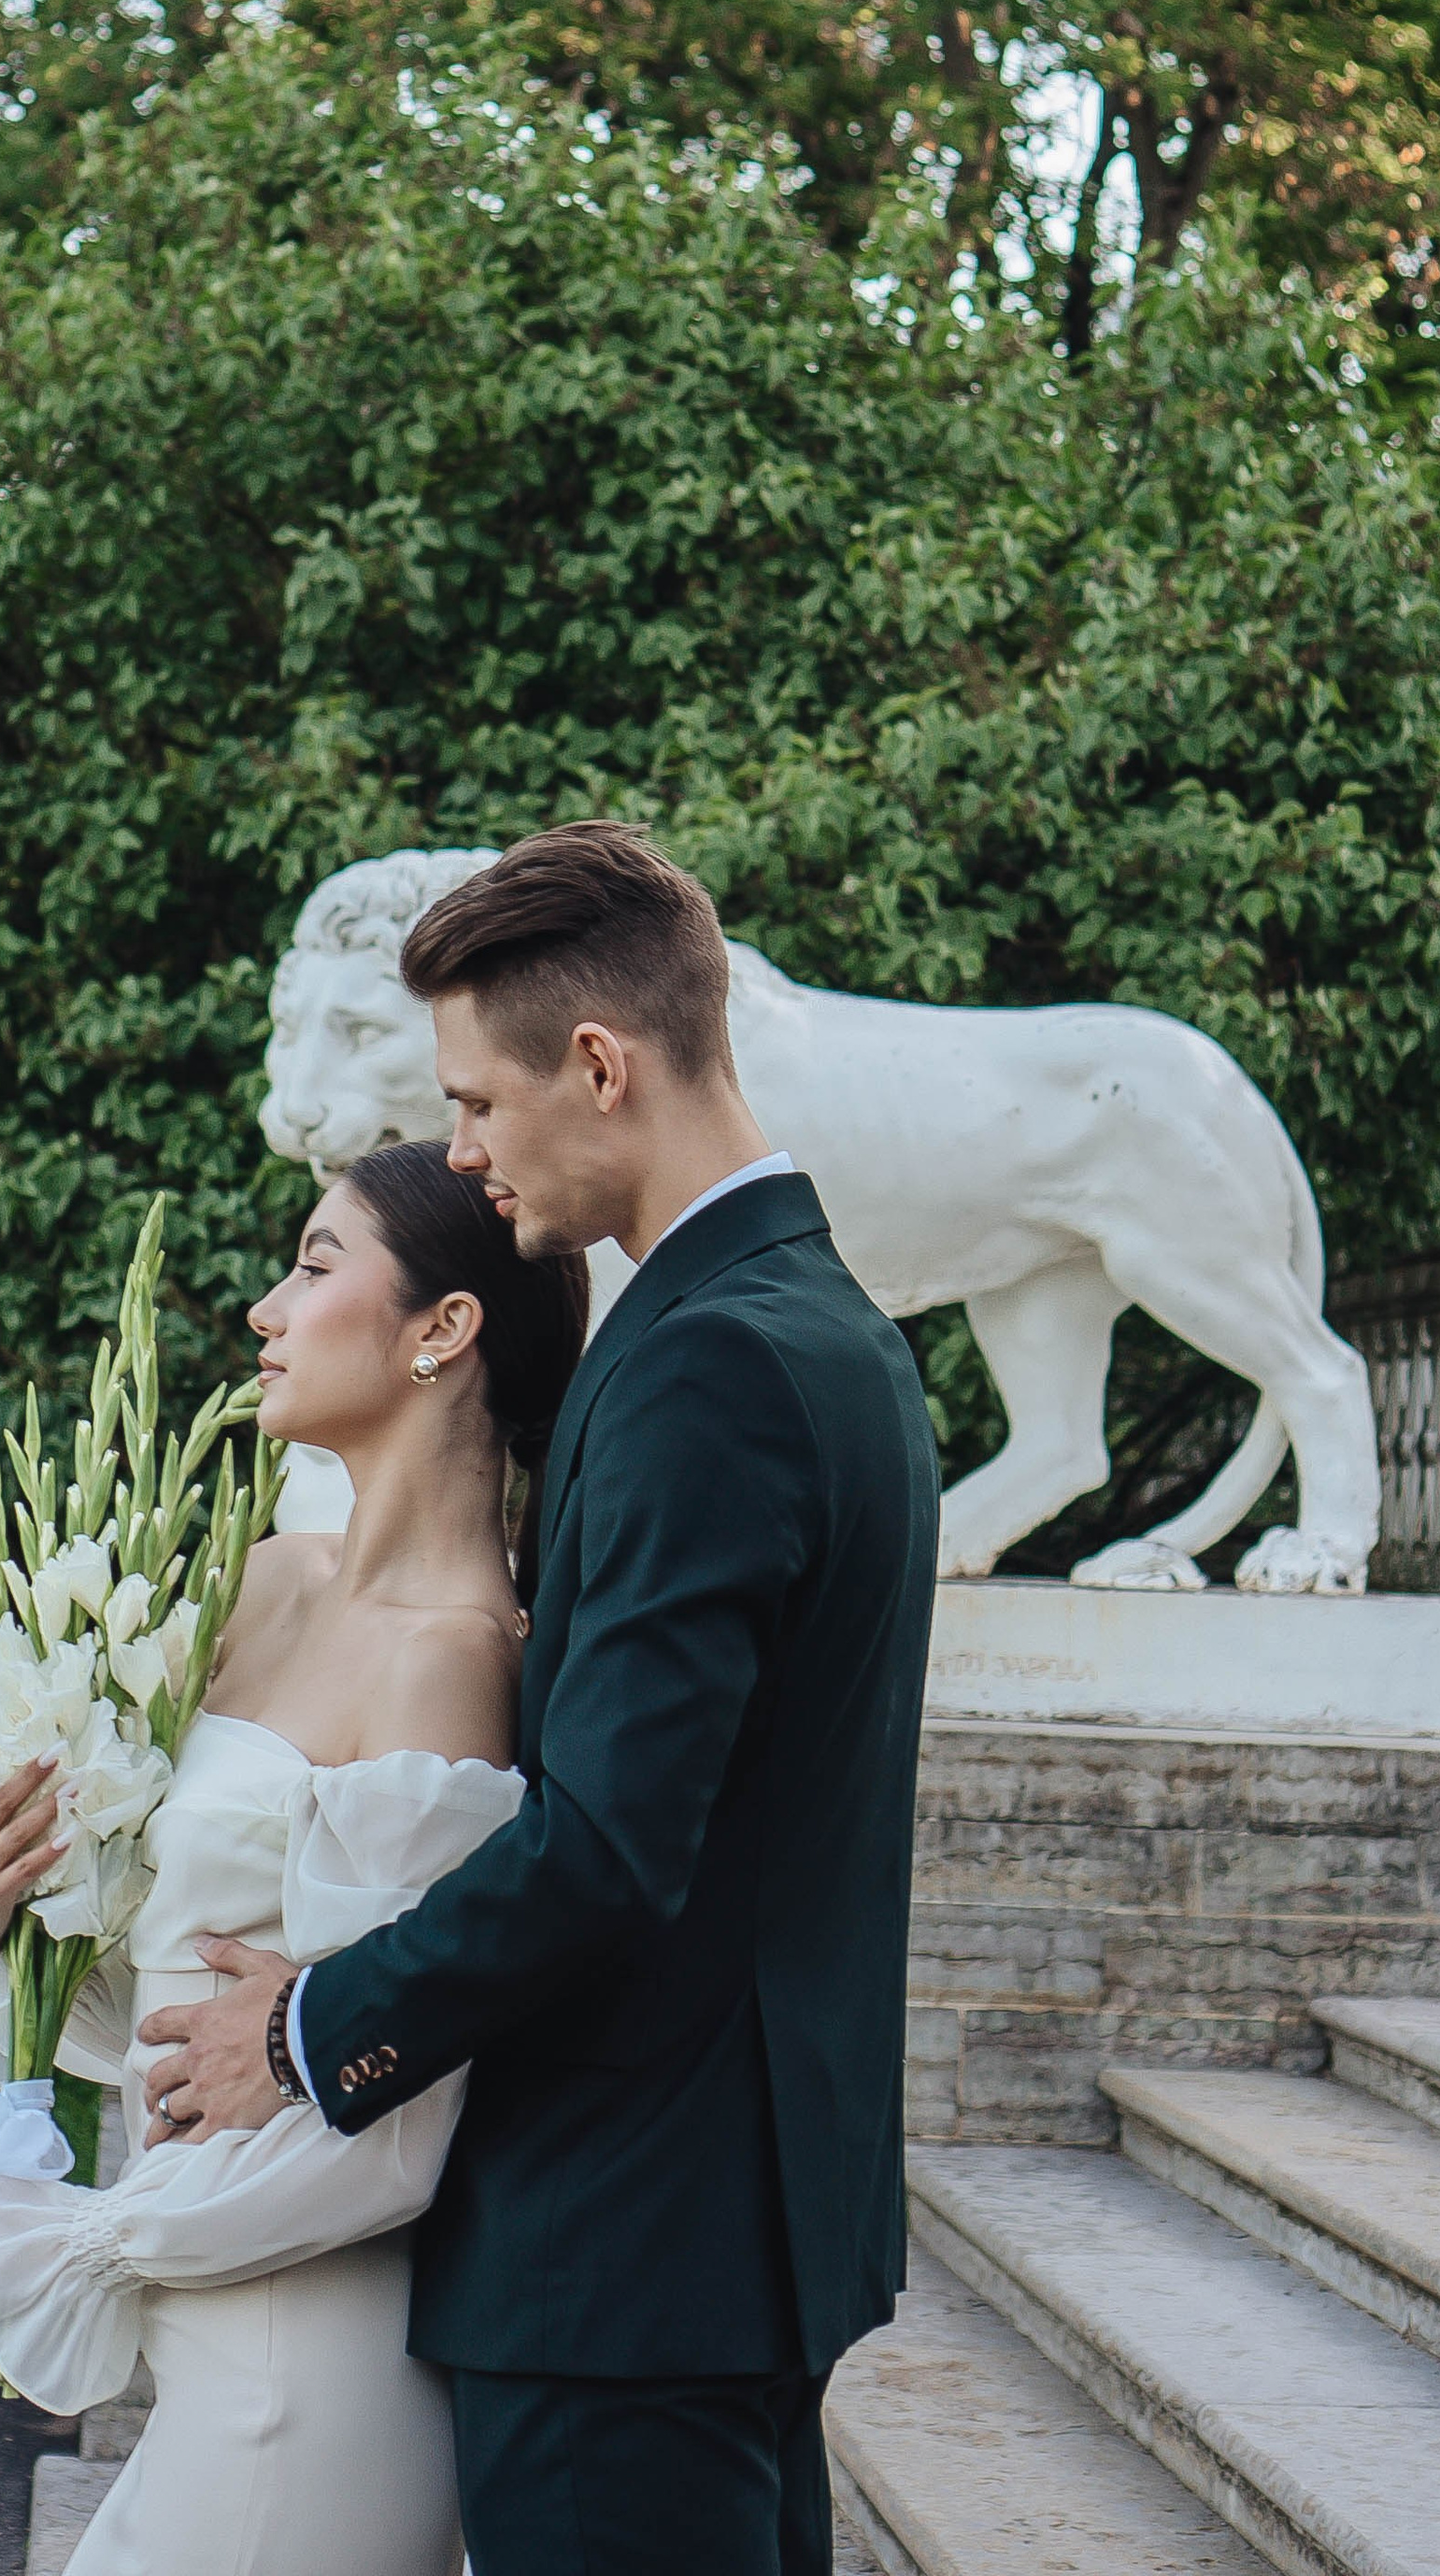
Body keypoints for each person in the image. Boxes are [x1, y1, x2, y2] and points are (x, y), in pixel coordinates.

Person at [135, 820, 941, 2576]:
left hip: (621, 2256)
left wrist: (304, 2024)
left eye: (480, 1104)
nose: (462, 1148)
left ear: (599, 1065)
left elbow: (607, 1846)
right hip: (736, 2230)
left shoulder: (703, 1368)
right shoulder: (836, 1334)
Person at [0, 1138, 587, 2576]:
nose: (268, 1310)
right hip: (198, 2339)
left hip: (310, 2369)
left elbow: (397, 2117)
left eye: (318, 1267)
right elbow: (172, 2017)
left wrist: (87, 2242)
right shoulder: (260, 1582)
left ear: (443, 1331)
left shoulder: (452, 1662)